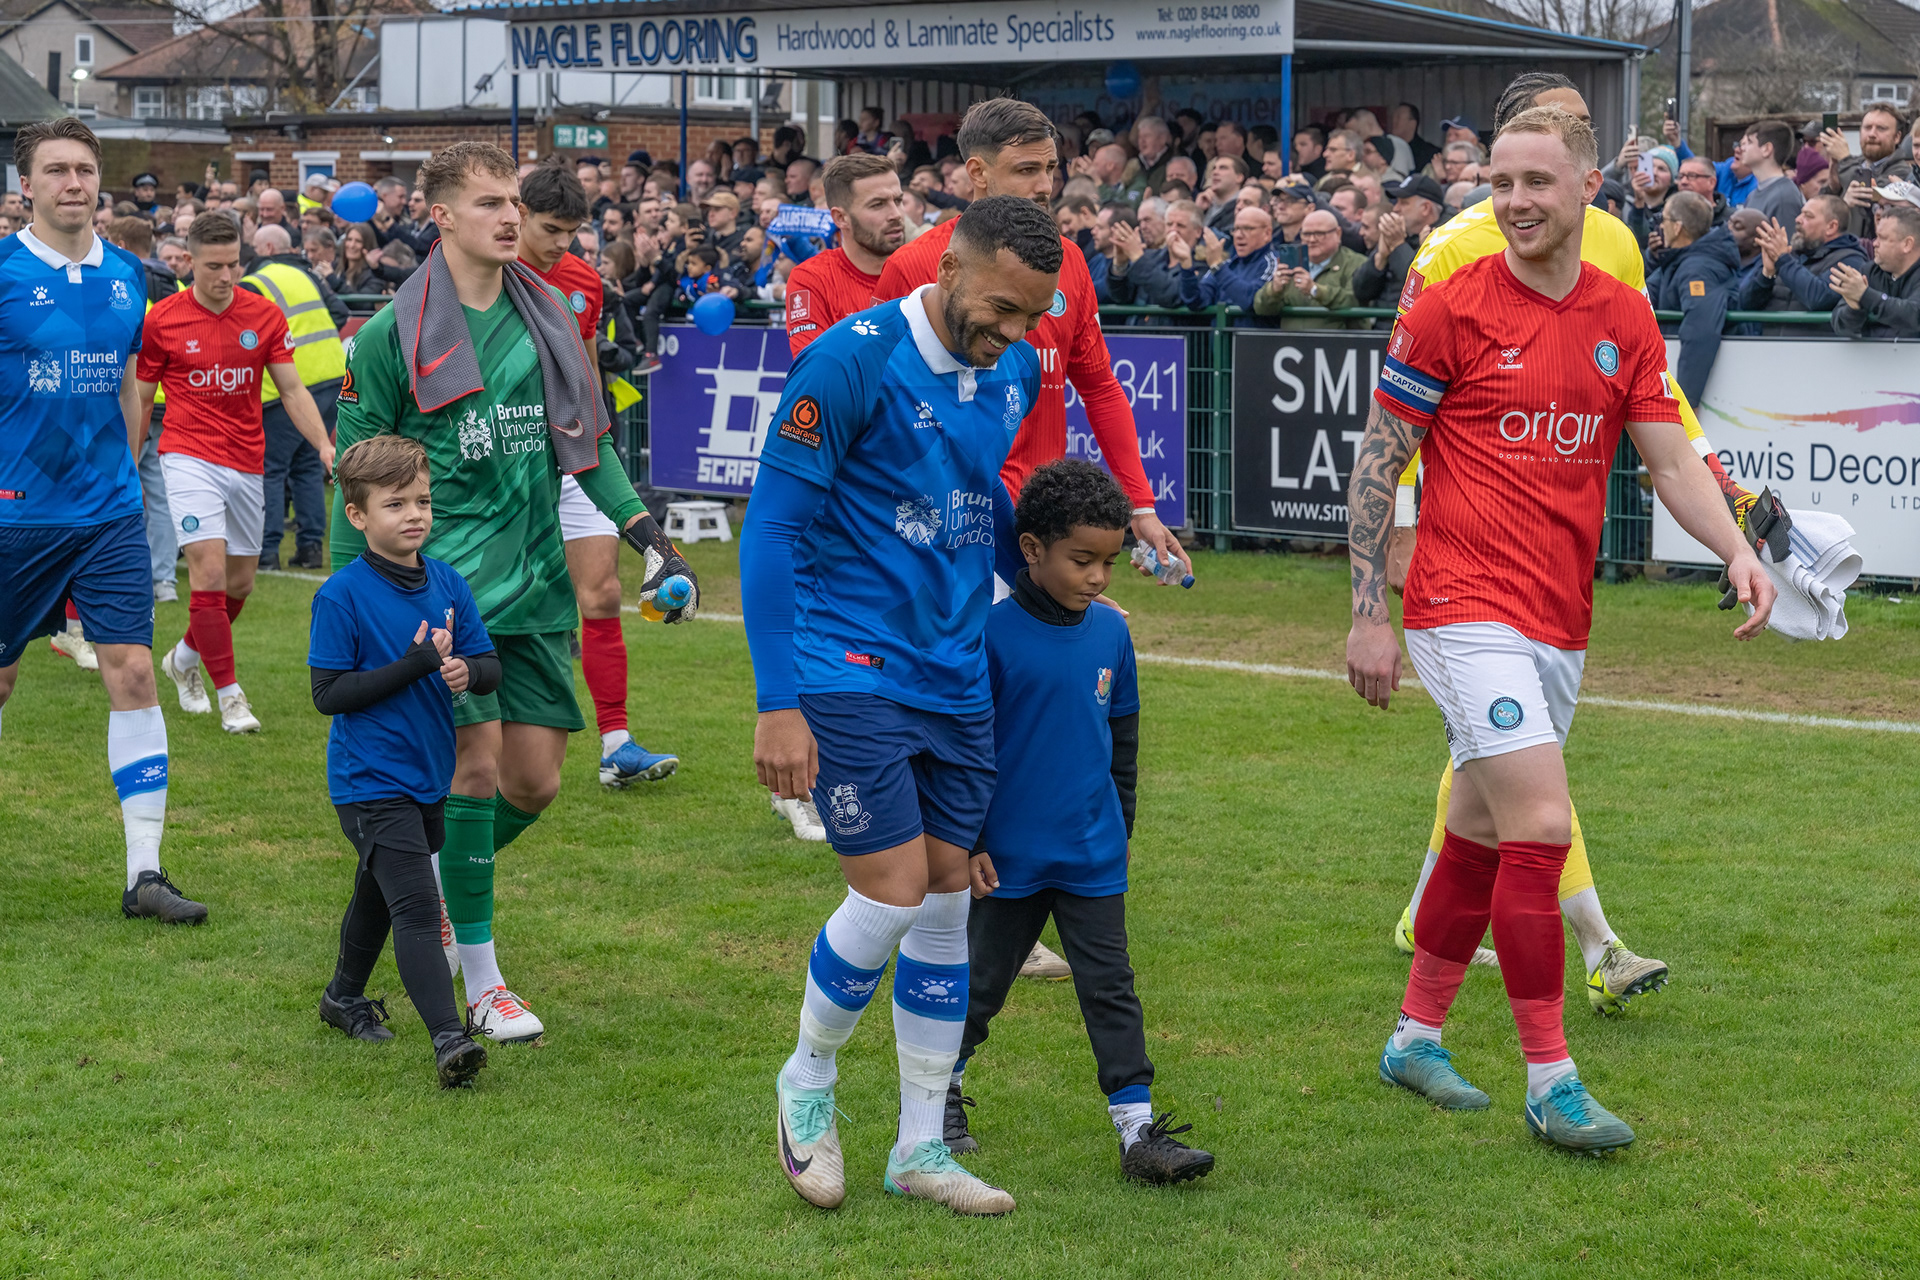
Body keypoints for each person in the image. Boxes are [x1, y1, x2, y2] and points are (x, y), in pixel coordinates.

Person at [1347, 103, 1773, 1154]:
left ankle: (1413, 1036)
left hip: (1559, 614)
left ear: (1591, 187)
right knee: (1540, 821)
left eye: (1538, 181)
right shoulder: (1450, 303)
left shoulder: (1623, 317)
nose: (1517, 201)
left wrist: (1736, 547)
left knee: (1483, 834)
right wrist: (1367, 609)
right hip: (1459, 601)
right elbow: (1378, 452)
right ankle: (1553, 1078)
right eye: (1501, 182)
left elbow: (1670, 459)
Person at [330, 142, 698, 1044]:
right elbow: (355, 469)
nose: (508, 215)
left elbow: (588, 443)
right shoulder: (389, 337)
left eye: (512, 200)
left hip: (533, 587)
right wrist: (353, 599)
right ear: (443, 216)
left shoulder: (551, 321)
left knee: (533, 784)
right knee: (475, 770)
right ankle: (484, 983)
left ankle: (426, 885)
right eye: (488, 201)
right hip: (440, 593)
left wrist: (646, 534)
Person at [743, 196, 1056, 1217]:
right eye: (1002, 307)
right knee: (887, 891)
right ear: (951, 265)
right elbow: (770, 531)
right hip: (847, 665)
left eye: (1032, 317)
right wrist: (778, 701)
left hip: (955, 673)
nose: (1014, 334)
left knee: (946, 901)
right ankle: (808, 1080)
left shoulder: (1014, 369)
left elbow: (977, 502)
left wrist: (1052, 574)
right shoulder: (851, 360)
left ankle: (919, 1144)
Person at [946, 458, 1214, 1186]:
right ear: (1030, 550)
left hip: (1093, 855)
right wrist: (969, 842)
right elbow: (966, 749)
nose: (1099, 577)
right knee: (980, 987)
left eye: (1109, 560)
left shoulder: (1110, 635)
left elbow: (1122, 737)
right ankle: (941, 1095)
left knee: (1111, 988)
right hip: (1007, 860)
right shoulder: (990, 636)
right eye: (1082, 560)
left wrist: (1117, 822)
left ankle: (1138, 1133)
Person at [0, 118, 205, 924]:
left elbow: (128, 386)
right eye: (56, 171)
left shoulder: (128, 277)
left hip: (109, 514)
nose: (73, 184)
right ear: (27, 186)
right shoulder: (5, 274)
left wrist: (121, 471)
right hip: (16, 516)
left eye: (84, 169)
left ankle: (145, 874)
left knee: (133, 671)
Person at [874, 98, 1186, 581]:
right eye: (1026, 170)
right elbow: (884, 408)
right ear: (977, 171)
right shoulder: (916, 266)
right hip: (940, 524)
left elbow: (1101, 388)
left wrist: (1141, 504)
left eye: (1050, 168)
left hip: (1041, 522)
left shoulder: (1070, 262)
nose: (1044, 185)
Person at [310, 435, 495, 1088]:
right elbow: (329, 694)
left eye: (422, 500)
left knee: (381, 896)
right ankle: (450, 1040)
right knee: (417, 905)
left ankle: (342, 998)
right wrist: (414, 665)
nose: (415, 514)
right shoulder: (342, 596)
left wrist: (463, 671)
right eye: (395, 504)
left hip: (426, 776)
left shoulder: (447, 583)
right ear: (357, 516)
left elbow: (491, 666)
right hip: (367, 783)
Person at [516, 161, 680, 790]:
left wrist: (598, 421)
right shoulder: (485, 271)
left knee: (603, 594)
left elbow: (583, 361)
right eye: (551, 229)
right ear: (519, 213)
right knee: (523, 598)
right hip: (509, 457)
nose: (562, 243)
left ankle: (616, 743)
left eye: (572, 231)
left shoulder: (584, 279)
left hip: (575, 453)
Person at [138, 213, 334, 736]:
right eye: (213, 267)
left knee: (239, 585)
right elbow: (139, 397)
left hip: (246, 460)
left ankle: (182, 658)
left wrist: (323, 444)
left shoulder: (264, 315)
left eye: (233, 265)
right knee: (206, 574)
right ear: (190, 263)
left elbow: (292, 390)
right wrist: (129, 463)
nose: (225, 276)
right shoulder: (163, 319)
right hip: (185, 456)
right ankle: (230, 697)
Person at [243, 222, 349, 572]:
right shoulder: (304, 274)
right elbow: (340, 313)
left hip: (290, 387)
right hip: (331, 375)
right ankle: (310, 548)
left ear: (264, 249)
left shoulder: (254, 284)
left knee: (270, 468)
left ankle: (267, 550)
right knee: (306, 464)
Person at [103, 215, 183, 603]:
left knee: (120, 487)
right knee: (161, 494)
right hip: (172, 402)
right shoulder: (177, 283)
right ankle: (163, 579)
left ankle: (123, 575)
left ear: (118, 240)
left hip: (135, 398)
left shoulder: (118, 280)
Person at [1646, 192, 1740, 405]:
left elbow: (1701, 329)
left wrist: (1686, 401)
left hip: (1705, 393)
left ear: (1678, 227)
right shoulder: (1681, 260)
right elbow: (1641, 295)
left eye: (1665, 219)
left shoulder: (1698, 269)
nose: (1661, 225)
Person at [1741, 194, 1868, 322]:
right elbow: (1744, 304)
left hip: (1814, 341)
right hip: (1766, 341)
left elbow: (1818, 299)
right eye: (1801, 213)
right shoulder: (1789, 256)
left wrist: (1783, 260)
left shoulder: (1850, 261)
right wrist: (1767, 275)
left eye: (1808, 216)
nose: (1798, 219)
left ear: (1831, 227)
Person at [1253, 208, 1363, 326]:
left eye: (1320, 234)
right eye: (1306, 234)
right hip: (1292, 343)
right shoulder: (1291, 264)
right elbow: (1261, 308)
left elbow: (1355, 301)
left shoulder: (1356, 263)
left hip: (1340, 343)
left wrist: (1315, 290)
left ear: (1338, 233)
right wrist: (1273, 290)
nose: (1311, 240)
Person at [1832, 202, 1920, 338]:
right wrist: (1855, 309)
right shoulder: (1869, 271)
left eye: (1883, 238)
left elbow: (1914, 315)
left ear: (1907, 244)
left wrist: (1865, 296)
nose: (1874, 243)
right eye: (1876, 236)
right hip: (1870, 358)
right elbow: (1840, 327)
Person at [1736, 120, 1804, 227]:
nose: (1742, 148)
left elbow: (1786, 242)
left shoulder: (1784, 197)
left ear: (1767, 149)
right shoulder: (1753, 195)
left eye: (1749, 142)